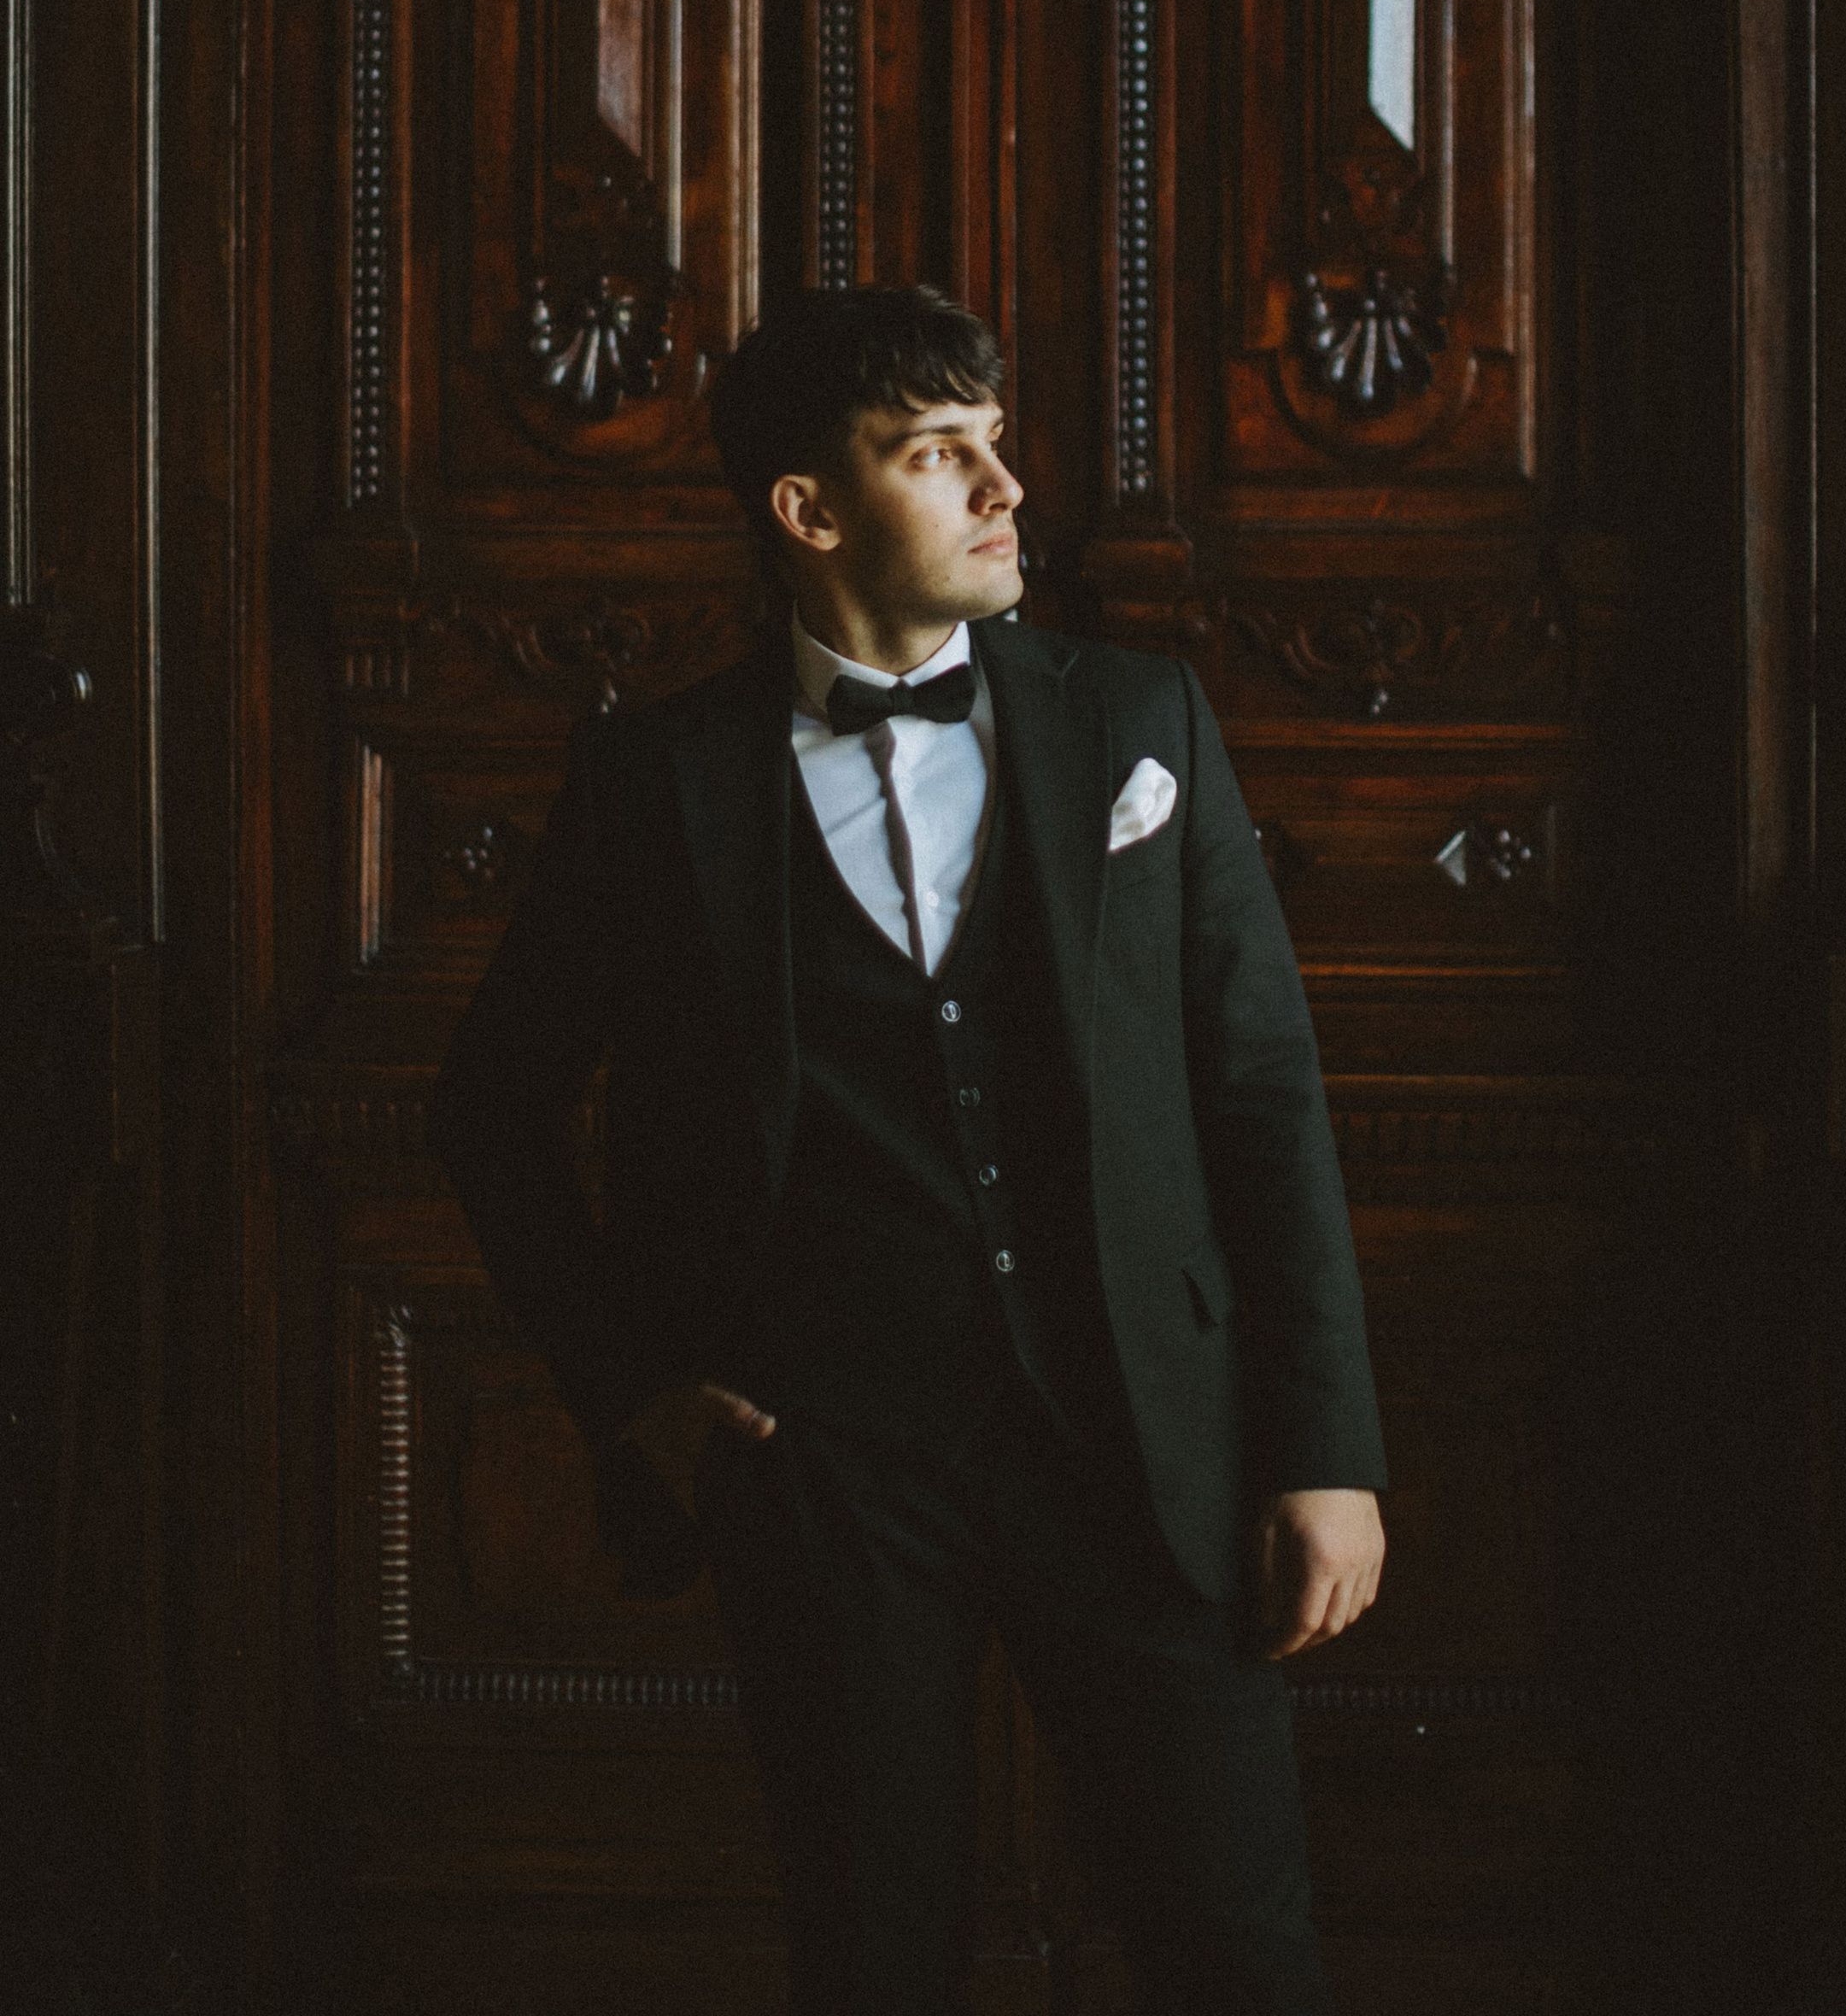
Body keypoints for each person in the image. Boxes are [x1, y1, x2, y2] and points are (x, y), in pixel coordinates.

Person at [431, 283, 1386, 2013]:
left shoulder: (1135, 723)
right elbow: (490, 1108)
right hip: (832, 1463)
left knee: (1235, 1949)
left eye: (995, 445)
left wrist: (1322, 1450)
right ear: (806, 510)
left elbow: (1261, 1094)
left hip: (1142, 1440)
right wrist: (632, 1383)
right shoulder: (657, 782)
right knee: (873, 1954)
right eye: (940, 453)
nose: (1004, 488)